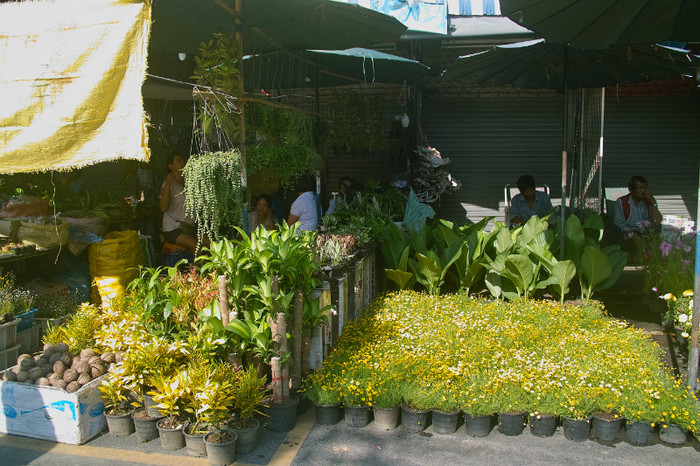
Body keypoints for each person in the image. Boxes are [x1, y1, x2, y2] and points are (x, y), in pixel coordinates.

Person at [159, 153, 197, 254]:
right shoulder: (168, 184)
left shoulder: (190, 183)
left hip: (189, 227)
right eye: (179, 161)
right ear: (171, 166)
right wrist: (168, 183)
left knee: (212, 246)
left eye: (183, 160)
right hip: (173, 229)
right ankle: (196, 270)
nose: (183, 163)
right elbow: (163, 208)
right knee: (199, 248)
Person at [613, 175, 662, 249]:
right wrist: (633, 235)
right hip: (628, 233)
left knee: (658, 228)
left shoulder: (649, 200)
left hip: (645, 233)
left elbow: (657, 221)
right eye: (640, 188)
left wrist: (653, 203)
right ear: (631, 190)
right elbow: (619, 223)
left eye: (644, 188)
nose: (643, 191)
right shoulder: (621, 201)